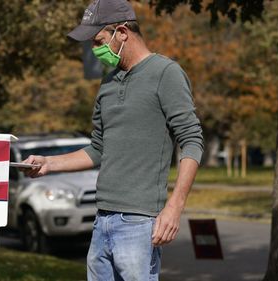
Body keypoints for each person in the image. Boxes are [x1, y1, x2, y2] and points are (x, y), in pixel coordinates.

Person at [22, 0, 204, 280]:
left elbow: (191, 140)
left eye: (98, 41)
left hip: (140, 222)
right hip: (102, 219)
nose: (94, 50)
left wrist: (174, 207)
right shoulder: (108, 84)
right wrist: (49, 163)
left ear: (122, 32)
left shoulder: (165, 74)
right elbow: (98, 149)